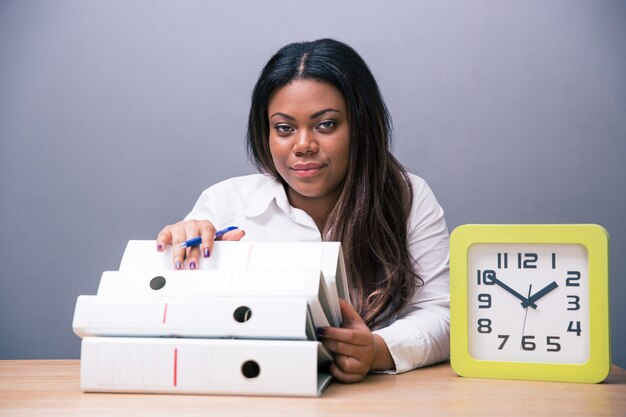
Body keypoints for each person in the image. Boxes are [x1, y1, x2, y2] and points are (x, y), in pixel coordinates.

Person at [156, 38, 450, 383]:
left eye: (326, 124)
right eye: (284, 128)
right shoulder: (224, 204)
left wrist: (375, 349)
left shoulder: (407, 195)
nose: (303, 145)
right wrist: (184, 264)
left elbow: (442, 314)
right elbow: (173, 324)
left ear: (360, 126)